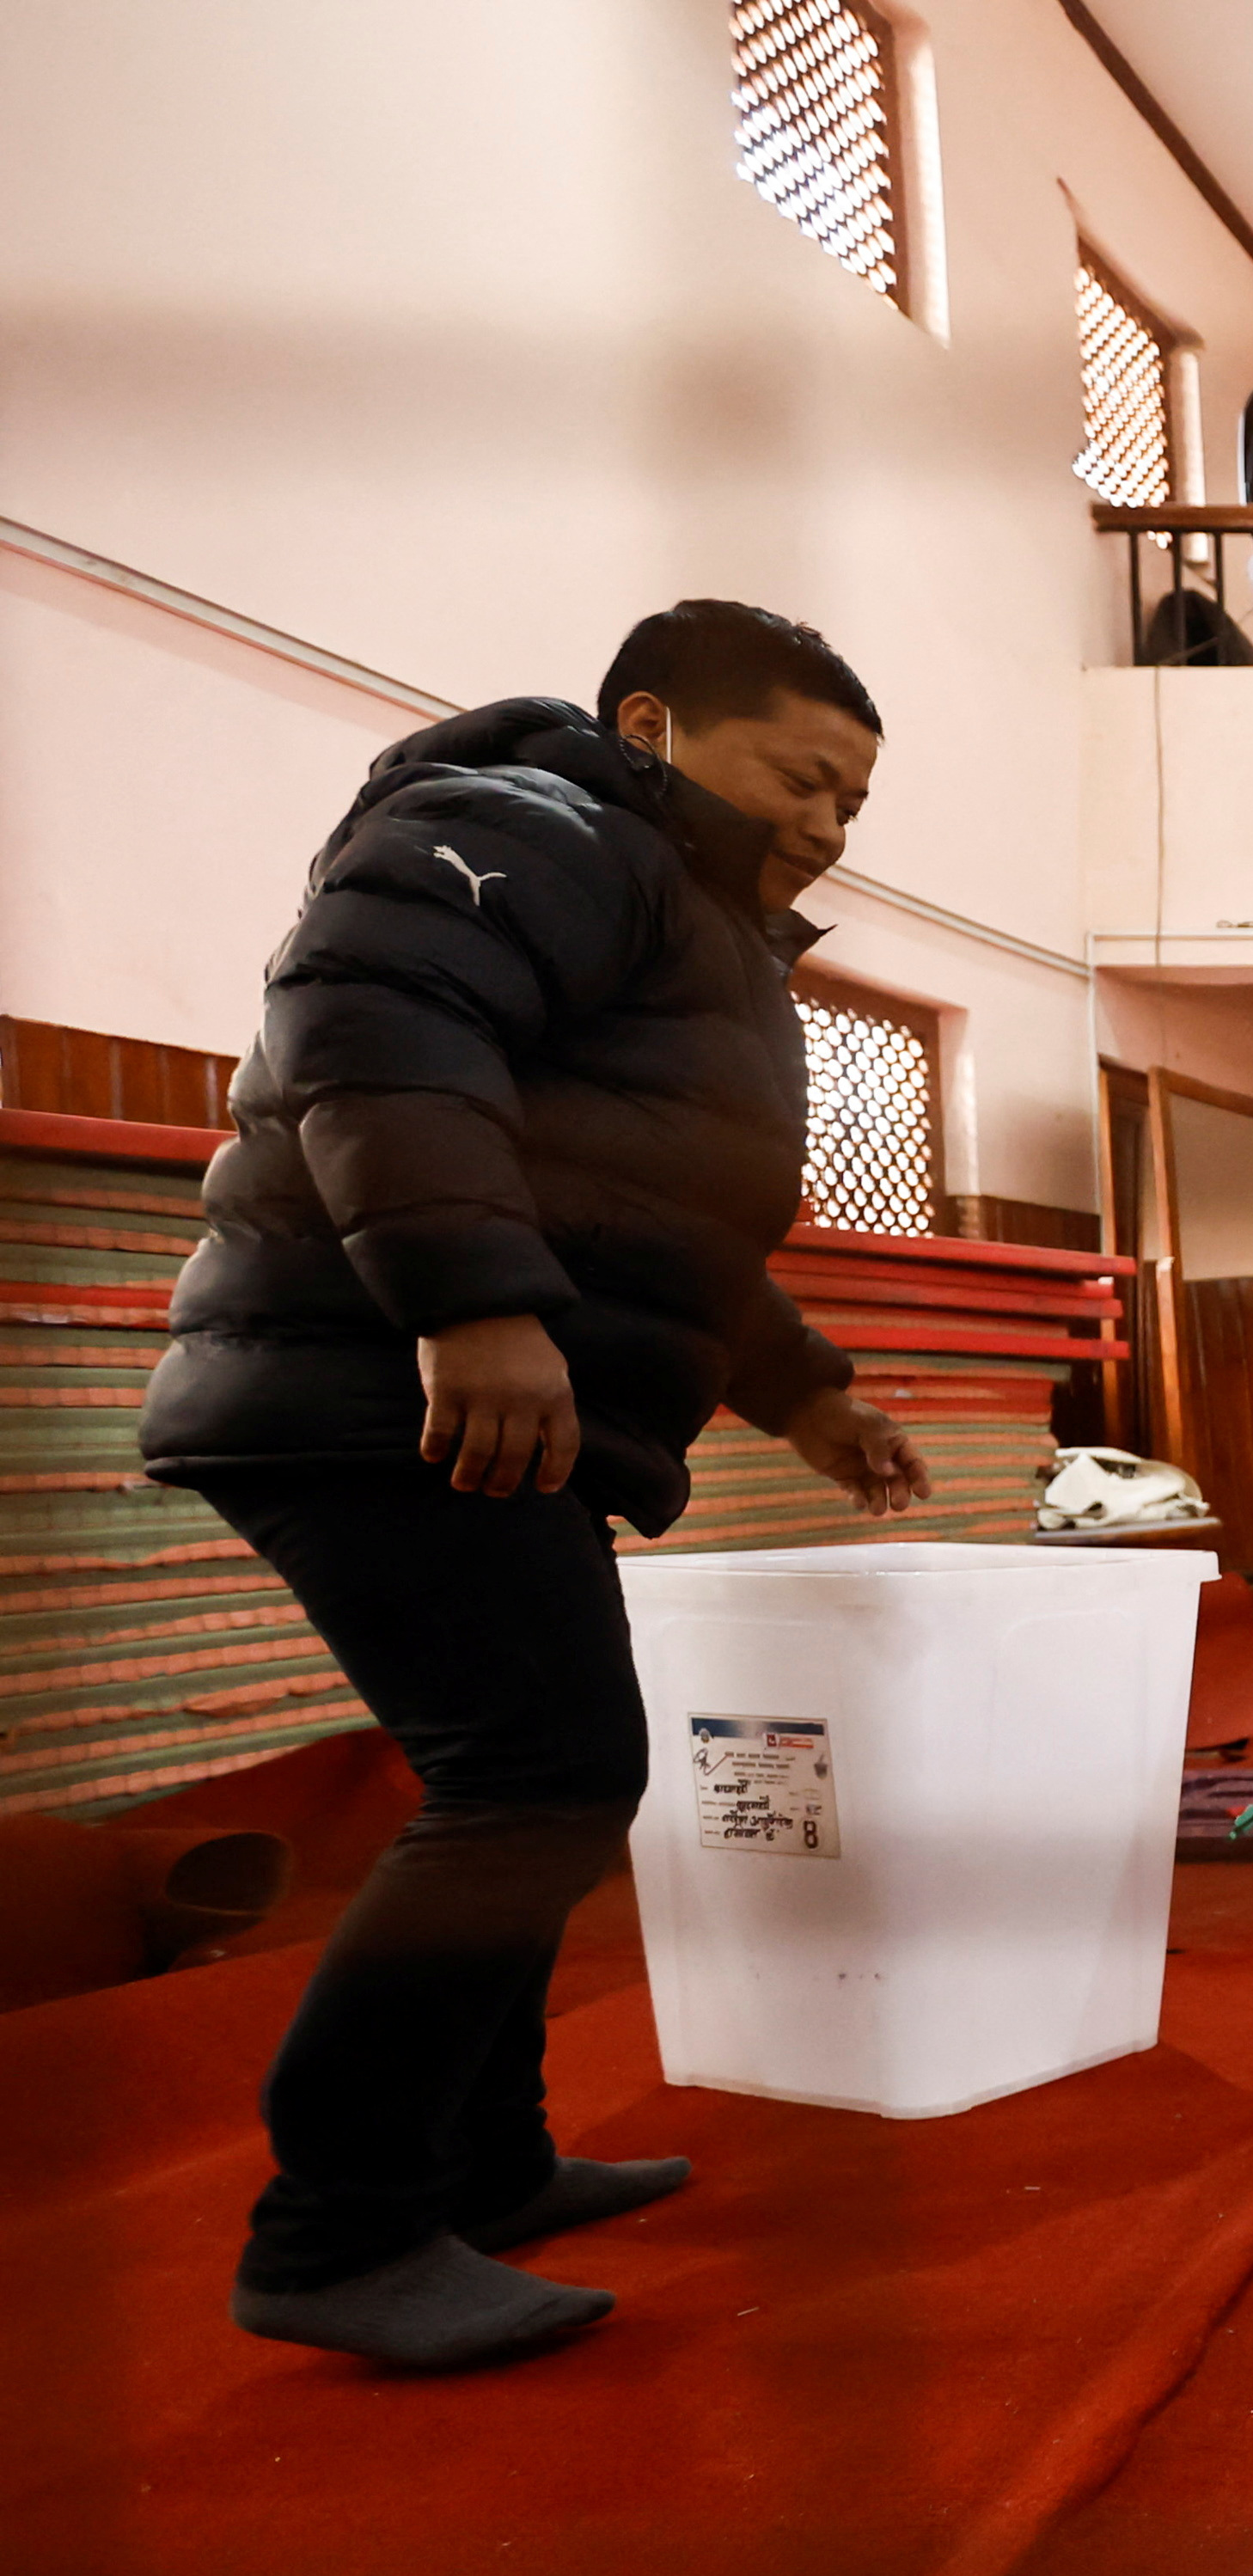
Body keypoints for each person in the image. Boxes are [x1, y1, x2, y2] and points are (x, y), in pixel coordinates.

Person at [139, 599, 932, 2371]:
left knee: (524, 1781)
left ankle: (484, 2166)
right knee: (545, 1776)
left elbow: (650, 1211)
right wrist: (474, 1305)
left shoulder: (684, 914)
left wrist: (799, 1390)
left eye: (854, 805)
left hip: (446, 1395)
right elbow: (374, 1021)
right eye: (801, 778)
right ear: (649, 722)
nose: (825, 824)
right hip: (378, 1390)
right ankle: (335, 2235)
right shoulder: (541, 822)